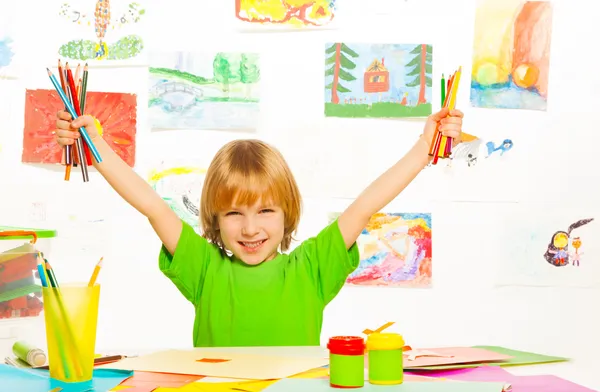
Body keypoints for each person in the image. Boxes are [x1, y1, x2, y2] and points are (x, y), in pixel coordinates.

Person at [55, 108, 464, 347]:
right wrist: (95, 147)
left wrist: (423, 149)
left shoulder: (312, 268)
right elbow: (150, 204)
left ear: (288, 212)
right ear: (214, 218)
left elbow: (366, 204)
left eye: (265, 211)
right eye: (234, 214)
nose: (250, 228)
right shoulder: (204, 269)